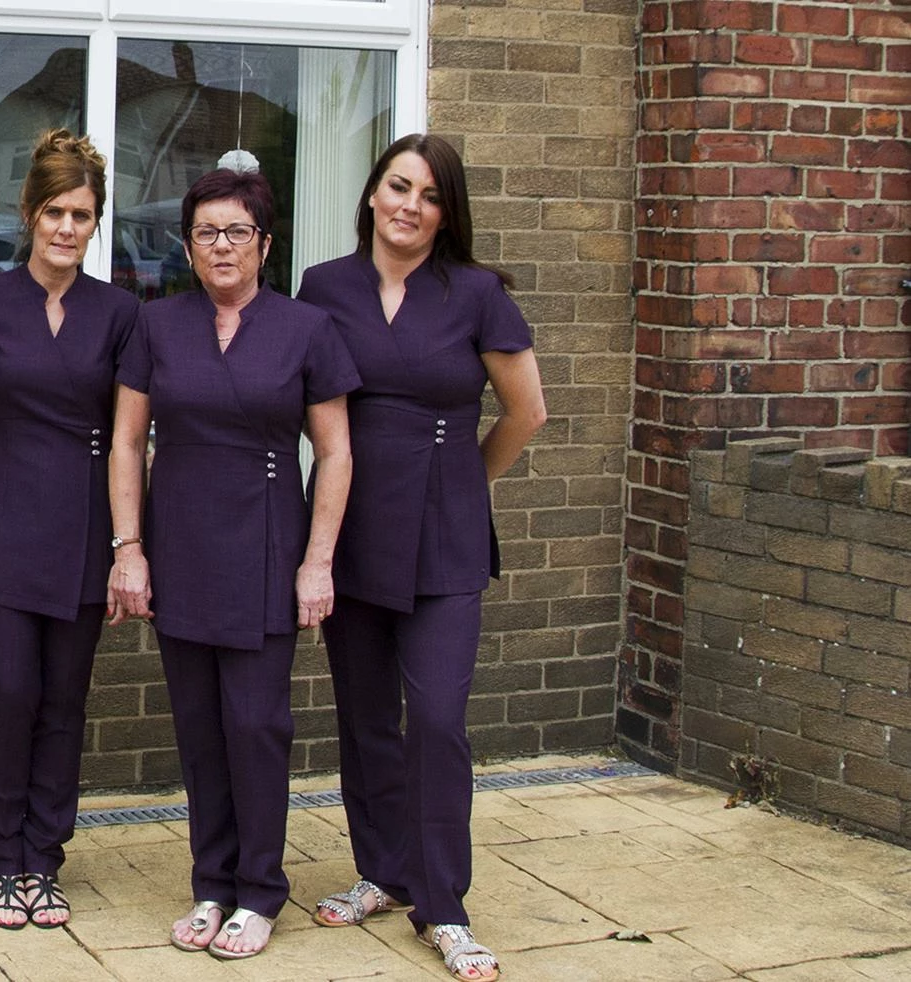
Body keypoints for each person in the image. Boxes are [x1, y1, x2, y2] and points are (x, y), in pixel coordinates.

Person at [295, 134, 546, 982]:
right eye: (398, 186)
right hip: (353, 528)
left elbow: (526, 411)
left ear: (447, 213)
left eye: (430, 195)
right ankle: (383, 872)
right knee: (364, 718)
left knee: (436, 722)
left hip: (444, 535)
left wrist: (465, 483)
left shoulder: (475, 293)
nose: (410, 205)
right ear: (371, 194)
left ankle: (444, 906)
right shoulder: (323, 288)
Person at [107, 167, 359, 960]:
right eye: (207, 232)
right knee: (198, 729)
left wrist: (318, 563)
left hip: (266, 550)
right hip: (178, 547)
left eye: (237, 231)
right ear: (186, 245)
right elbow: (124, 443)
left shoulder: (306, 329)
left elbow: (337, 451)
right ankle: (212, 885)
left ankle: (260, 890)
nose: (222, 245)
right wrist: (129, 549)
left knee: (256, 725)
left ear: (265, 245)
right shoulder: (157, 326)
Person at [0, 131, 137, 931]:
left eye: (82, 214)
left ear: (96, 223)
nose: (67, 227)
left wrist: (130, 547)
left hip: (85, 526)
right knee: (9, 694)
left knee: (64, 701)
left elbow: (132, 438)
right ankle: (1, 860)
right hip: (5, 522)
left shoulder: (122, 313)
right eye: (54, 211)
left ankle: (43, 862)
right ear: (29, 215)